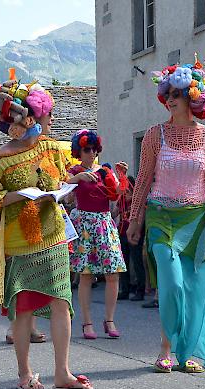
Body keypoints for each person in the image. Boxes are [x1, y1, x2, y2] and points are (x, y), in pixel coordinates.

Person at [0, 74, 92, 389]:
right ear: (29, 117)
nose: (52, 118)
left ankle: (62, 373)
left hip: (52, 234)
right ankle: (25, 374)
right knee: (24, 306)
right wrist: (16, 196)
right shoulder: (2, 156)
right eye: (47, 113)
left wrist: (71, 185)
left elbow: (61, 181)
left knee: (60, 301)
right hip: (19, 242)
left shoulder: (52, 148)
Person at [126, 56, 205, 372]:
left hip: (195, 219)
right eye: (167, 94)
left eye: (176, 95)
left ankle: (187, 354)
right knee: (171, 283)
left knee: (196, 289)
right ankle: (165, 347)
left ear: (192, 97)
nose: (170, 100)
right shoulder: (155, 135)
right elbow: (142, 178)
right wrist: (134, 219)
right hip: (160, 216)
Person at [67, 130, 127, 339]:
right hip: (84, 223)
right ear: (79, 151)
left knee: (113, 273)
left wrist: (120, 176)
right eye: (86, 150)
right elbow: (61, 191)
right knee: (86, 275)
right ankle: (87, 322)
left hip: (103, 222)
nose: (91, 153)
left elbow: (116, 194)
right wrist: (77, 177)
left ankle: (109, 320)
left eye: (94, 149)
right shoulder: (73, 170)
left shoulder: (104, 171)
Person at [115, 176, 148, 301]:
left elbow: (142, 215)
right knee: (124, 263)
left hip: (134, 233)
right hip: (122, 232)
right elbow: (115, 212)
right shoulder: (122, 200)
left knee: (137, 261)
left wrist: (138, 231)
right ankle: (125, 289)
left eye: (128, 188)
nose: (126, 191)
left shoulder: (138, 200)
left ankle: (140, 290)